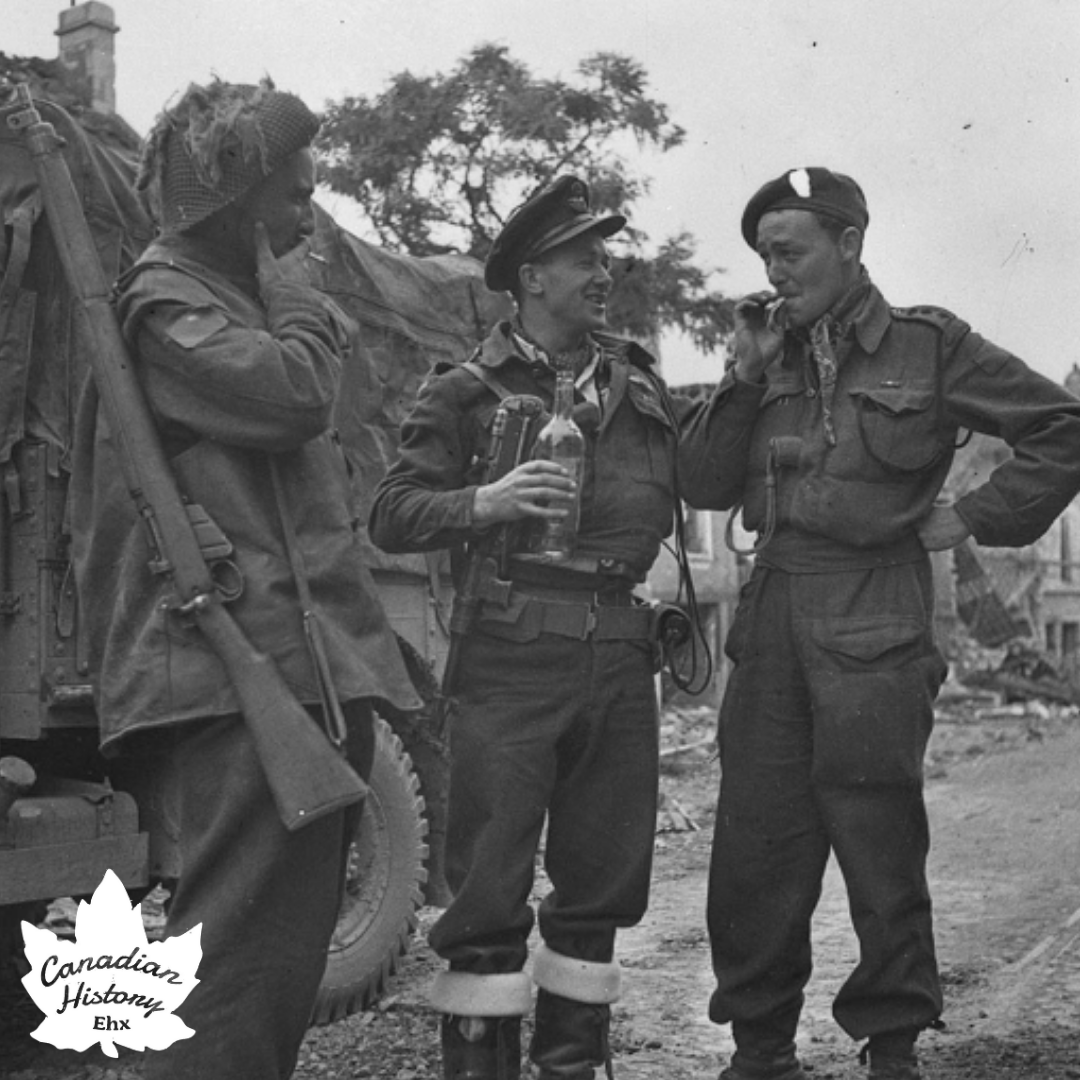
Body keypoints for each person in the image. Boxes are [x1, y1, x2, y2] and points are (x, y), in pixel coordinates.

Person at [682, 166, 1080, 1080]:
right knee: (756, 842)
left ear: (849, 244)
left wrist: (973, 516)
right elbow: (702, 484)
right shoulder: (765, 354)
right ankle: (760, 1048)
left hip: (878, 612)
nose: (773, 273)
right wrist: (740, 378)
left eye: (789, 252)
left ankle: (891, 1048)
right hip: (775, 611)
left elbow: (1062, 426)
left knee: (879, 837)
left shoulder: (928, 347)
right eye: (763, 256)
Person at [70, 78, 419, 1080]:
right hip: (237, 675)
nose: (307, 209)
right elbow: (298, 396)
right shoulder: (166, 300)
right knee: (229, 976)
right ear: (229, 199)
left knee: (270, 971)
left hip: (295, 666)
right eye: (291, 190)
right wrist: (295, 292)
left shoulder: (232, 297)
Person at [369, 175, 712, 1080]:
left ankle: (572, 1068)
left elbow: (700, 477)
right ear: (531, 278)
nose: (605, 273)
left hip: (617, 655)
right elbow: (391, 514)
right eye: (584, 259)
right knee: (487, 892)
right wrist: (484, 500)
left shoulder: (638, 379)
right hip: (511, 658)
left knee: (601, 888)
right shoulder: (465, 390)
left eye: (604, 256)